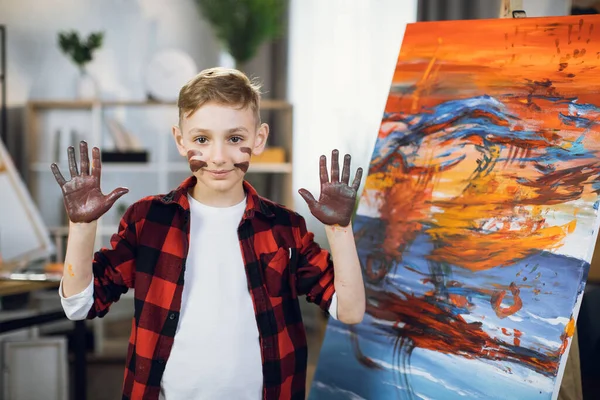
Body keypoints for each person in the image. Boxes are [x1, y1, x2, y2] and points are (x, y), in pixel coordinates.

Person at [52, 67, 366, 400]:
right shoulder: (149, 221)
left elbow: (350, 309)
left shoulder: (285, 228)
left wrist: (339, 229)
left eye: (235, 139)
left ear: (259, 139)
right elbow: (79, 305)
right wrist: (82, 227)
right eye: (202, 139)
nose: (218, 157)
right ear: (180, 139)